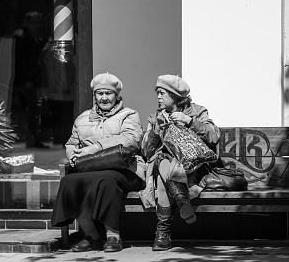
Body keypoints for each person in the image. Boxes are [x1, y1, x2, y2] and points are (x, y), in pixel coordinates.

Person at [51, 73, 146, 253]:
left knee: (106, 180)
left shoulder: (129, 115)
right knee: (69, 181)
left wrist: (93, 148)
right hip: (92, 169)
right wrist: (73, 156)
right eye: (99, 93)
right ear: (94, 96)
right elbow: (71, 143)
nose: (104, 98)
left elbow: (131, 140)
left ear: (116, 96)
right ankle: (92, 236)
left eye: (108, 93)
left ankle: (113, 236)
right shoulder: (82, 118)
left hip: (125, 170)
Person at [141, 74, 220, 251]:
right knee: (162, 160)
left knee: (164, 174)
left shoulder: (197, 111)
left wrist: (190, 122)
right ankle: (182, 201)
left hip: (193, 168)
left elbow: (214, 136)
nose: (158, 97)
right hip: (168, 169)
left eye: (162, 93)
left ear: (175, 95)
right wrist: (155, 131)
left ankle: (162, 234)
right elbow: (146, 152)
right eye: (157, 93)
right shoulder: (156, 116)